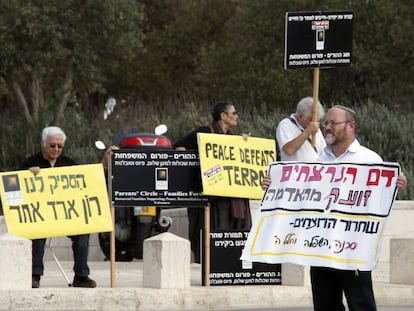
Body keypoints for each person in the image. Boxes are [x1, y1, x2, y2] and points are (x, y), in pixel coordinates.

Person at [262, 105, 407, 311]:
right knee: (325, 306)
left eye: (333, 123)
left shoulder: (369, 159)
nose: (327, 127)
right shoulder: (317, 161)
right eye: (326, 123)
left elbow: (379, 201)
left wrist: (395, 184)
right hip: (320, 249)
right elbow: (299, 195)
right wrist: (273, 185)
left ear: (351, 126)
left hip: (352, 250)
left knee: (361, 304)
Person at [173, 101, 252, 263]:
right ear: (223, 116)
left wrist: (244, 144)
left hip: (229, 196)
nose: (237, 116)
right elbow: (179, 146)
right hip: (211, 197)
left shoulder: (232, 138)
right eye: (234, 113)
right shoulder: (204, 133)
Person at [19, 126, 96, 288]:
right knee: (38, 233)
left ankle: (81, 276)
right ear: (43, 143)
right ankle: (34, 276)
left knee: (83, 232)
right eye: (52, 145)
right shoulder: (30, 163)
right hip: (40, 217)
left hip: (66, 216)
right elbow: (15, 184)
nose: (56, 149)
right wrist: (27, 174)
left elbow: (85, 185)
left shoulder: (69, 164)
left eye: (59, 146)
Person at [276, 96, 326, 161]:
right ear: (300, 116)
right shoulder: (286, 124)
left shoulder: (315, 128)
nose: (314, 122)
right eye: (311, 119)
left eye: (317, 120)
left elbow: (324, 153)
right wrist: (307, 132)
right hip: (294, 170)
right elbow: (289, 150)